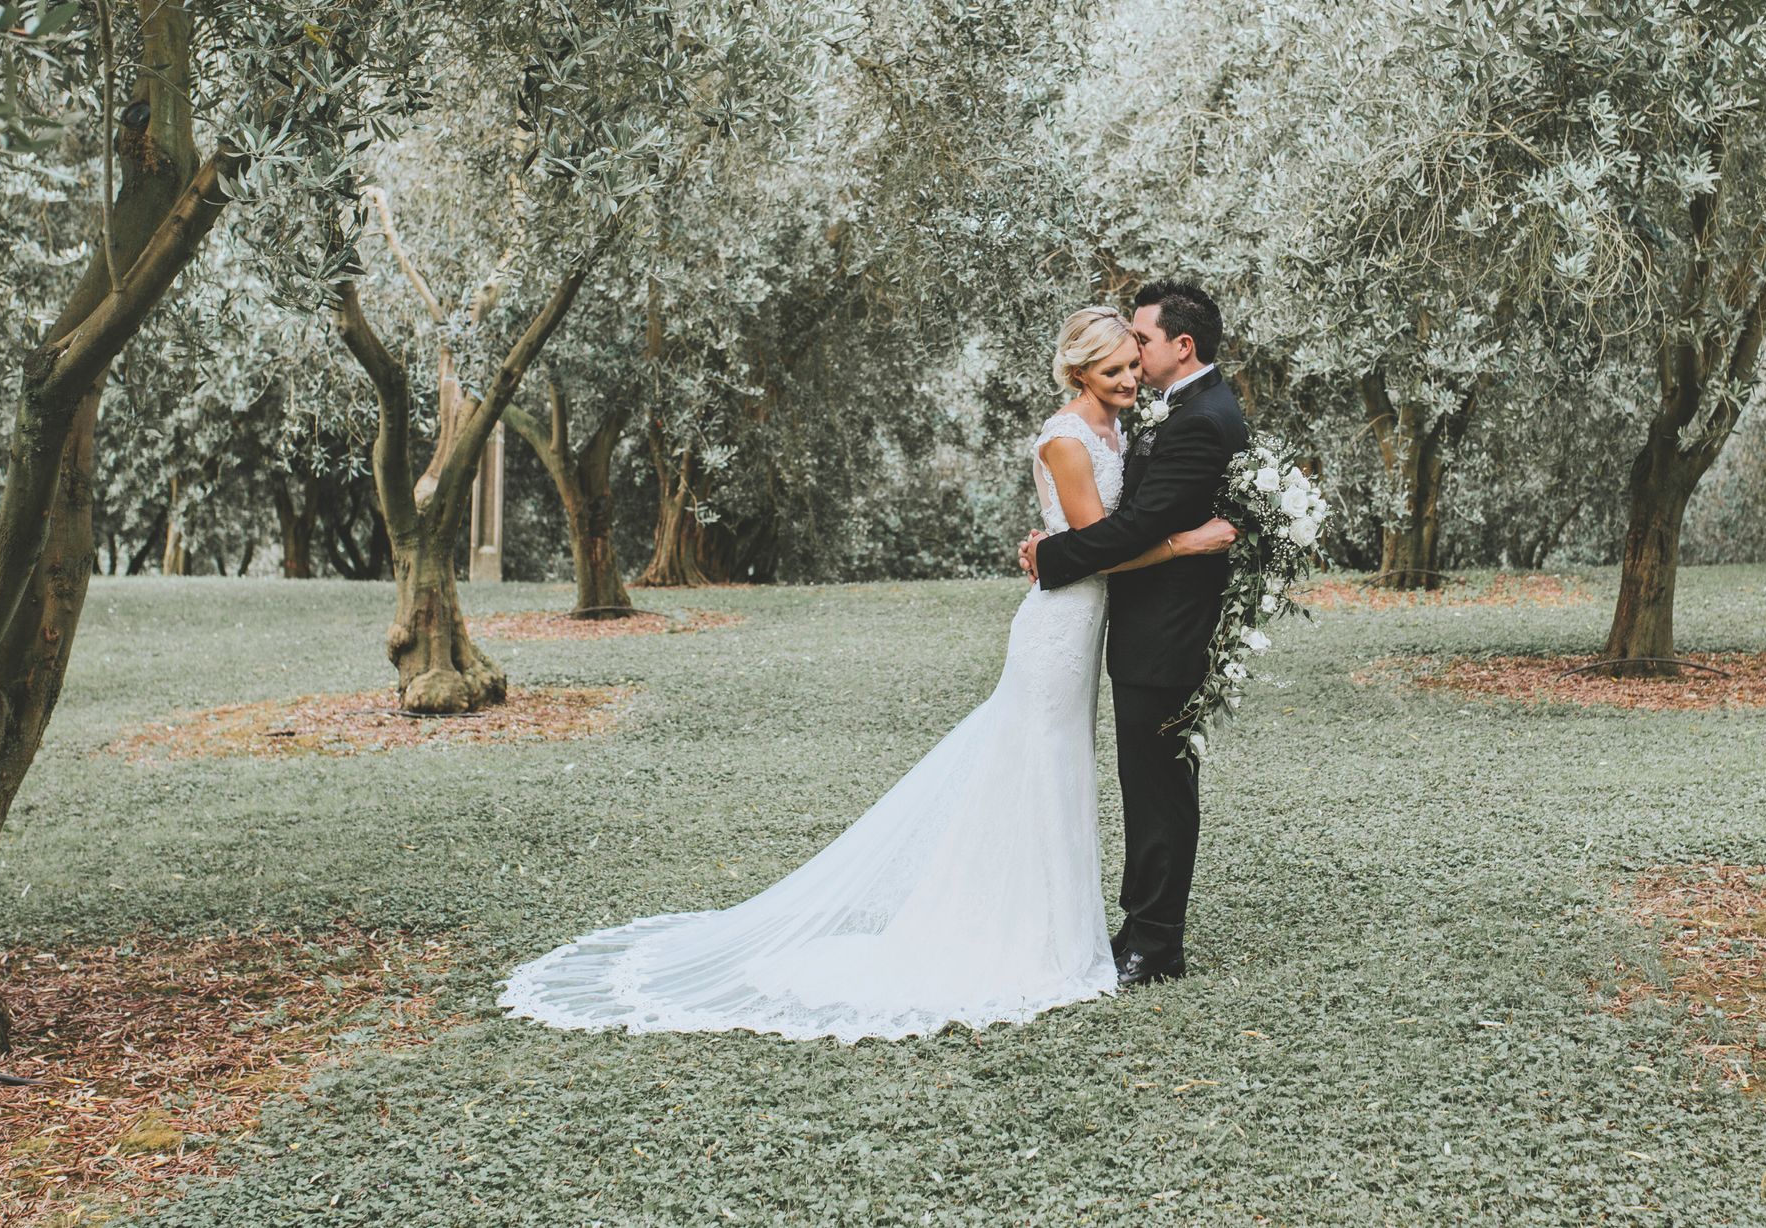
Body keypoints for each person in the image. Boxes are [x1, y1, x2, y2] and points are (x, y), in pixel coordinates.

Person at [500, 306, 1234, 1040]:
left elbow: (1120, 520)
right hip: (1058, 629)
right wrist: (1184, 545)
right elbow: (1103, 544)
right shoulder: (1067, 436)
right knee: (1037, 766)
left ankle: (1059, 930)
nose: (1132, 378)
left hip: (1088, 624)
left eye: (1135, 366)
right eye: (1114, 371)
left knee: (1057, 769)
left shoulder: (1121, 424)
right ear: (1079, 372)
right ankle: (1023, 935)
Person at [1022, 280, 1247, 988]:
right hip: (1139, 628)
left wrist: (1048, 556)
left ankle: (1155, 946)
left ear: (1182, 347)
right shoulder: (1181, 410)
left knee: (1158, 792)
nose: (1132, 357)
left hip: (1165, 634)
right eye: (1118, 355)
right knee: (1150, 786)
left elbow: (1134, 529)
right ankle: (1140, 929)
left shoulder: (1201, 419)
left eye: (1141, 343)